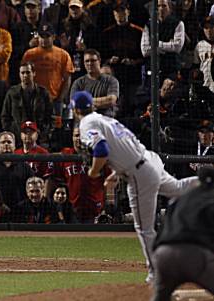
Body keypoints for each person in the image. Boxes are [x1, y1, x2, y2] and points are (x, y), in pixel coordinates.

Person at [73, 90, 198, 283]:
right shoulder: (105, 119)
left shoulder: (87, 123)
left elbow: (101, 149)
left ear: (75, 109)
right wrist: (117, 173)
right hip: (149, 160)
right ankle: (208, 181)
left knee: (144, 228)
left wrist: (93, 171)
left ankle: (157, 272)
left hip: (140, 173)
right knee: (179, 188)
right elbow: (125, 148)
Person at [151, 166, 214, 301]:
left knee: (161, 297)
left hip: (163, 255)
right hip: (195, 254)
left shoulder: (181, 197)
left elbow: (163, 227)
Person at [22, 23, 74, 127]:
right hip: (34, 98)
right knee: (33, 128)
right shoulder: (29, 54)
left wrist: (60, 98)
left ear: (54, 37)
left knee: (56, 130)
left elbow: (67, 78)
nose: (44, 40)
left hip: (55, 100)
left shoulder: (63, 54)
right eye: (42, 36)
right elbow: (24, 76)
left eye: (47, 36)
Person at [101, 2, 144, 118]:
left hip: (133, 75)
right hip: (115, 74)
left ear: (128, 12)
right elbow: (102, 55)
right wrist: (110, 60)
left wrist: (133, 61)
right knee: (115, 106)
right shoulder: (107, 33)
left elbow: (145, 56)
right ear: (113, 14)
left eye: (122, 11)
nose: (120, 14)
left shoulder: (139, 32)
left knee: (131, 105)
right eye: (117, 12)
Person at [1, 61, 52, 143]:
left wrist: (44, 134)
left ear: (34, 73)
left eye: (28, 72)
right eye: (22, 73)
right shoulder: (12, 93)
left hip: (39, 138)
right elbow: (5, 116)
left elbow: (50, 116)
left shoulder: (43, 93)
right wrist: (12, 133)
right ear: (19, 74)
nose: (25, 75)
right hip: (17, 137)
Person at [140, 0, 185, 80]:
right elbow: (145, 50)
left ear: (170, 8)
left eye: (164, 6)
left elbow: (177, 47)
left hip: (171, 69)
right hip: (152, 69)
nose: (161, 9)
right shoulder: (148, 25)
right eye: (158, 6)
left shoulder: (178, 23)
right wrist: (168, 46)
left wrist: (156, 44)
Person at [70, 48, 120, 117]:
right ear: (84, 63)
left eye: (93, 60)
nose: (90, 63)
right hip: (85, 122)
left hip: (105, 121)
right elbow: (74, 103)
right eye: (87, 61)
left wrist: (84, 102)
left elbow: (111, 100)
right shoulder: (78, 83)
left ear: (99, 61)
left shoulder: (111, 81)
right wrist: (100, 102)